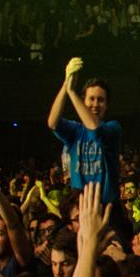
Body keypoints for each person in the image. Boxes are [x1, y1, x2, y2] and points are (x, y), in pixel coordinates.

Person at [46, 57, 123, 208]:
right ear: (84, 100)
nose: (95, 104)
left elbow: (94, 128)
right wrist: (65, 85)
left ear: (107, 105)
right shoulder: (75, 130)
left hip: (107, 207)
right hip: (80, 206)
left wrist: (72, 92)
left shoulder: (113, 128)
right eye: (91, 99)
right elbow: (52, 123)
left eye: (100, 100)